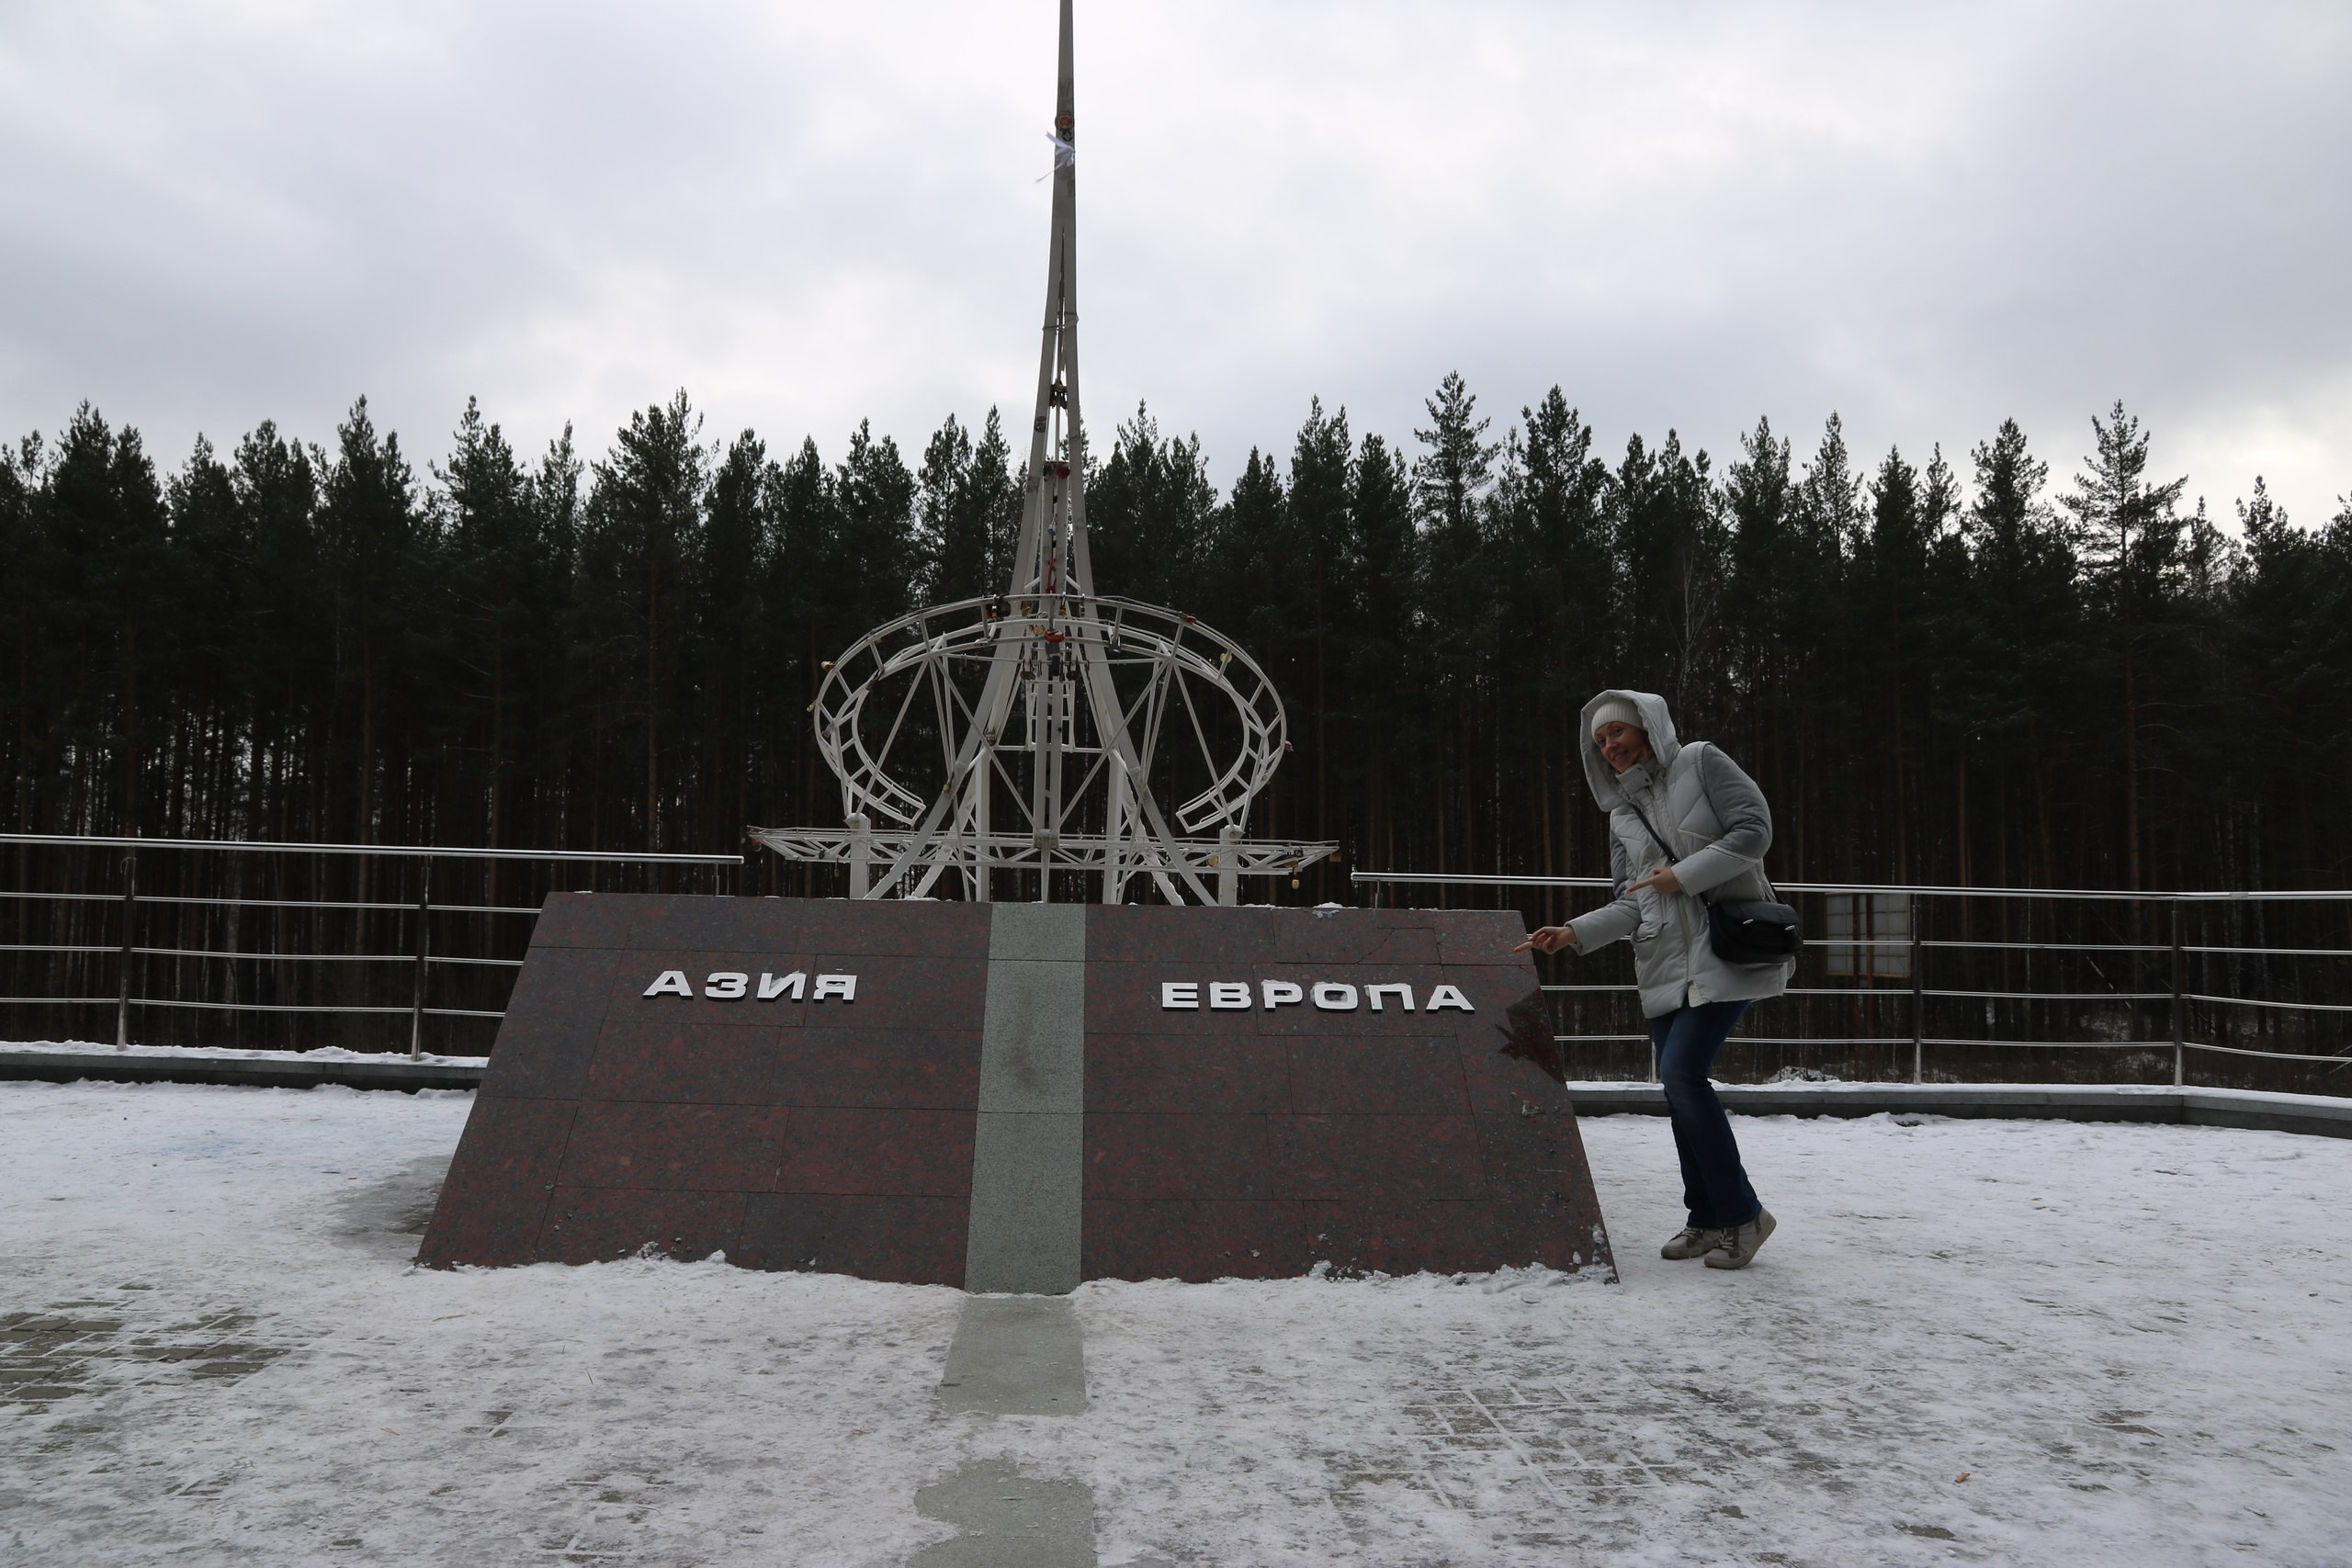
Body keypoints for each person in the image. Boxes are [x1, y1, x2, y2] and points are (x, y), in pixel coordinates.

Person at [1517, 689, 1794, 1270]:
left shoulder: (1702, 761)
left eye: (1617, 732)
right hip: (1665, 963)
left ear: (1646, 727)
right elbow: (1633, 901)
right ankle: (1707, 1217)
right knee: (1678, 1087)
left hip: (1727, 953)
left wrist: (1683, 877)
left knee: (1682, 1073)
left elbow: (1754, 832)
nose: (1609, 745)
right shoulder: (1622, 812)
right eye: (1599, 741)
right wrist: (1573, 932)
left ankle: (1744, 1215)